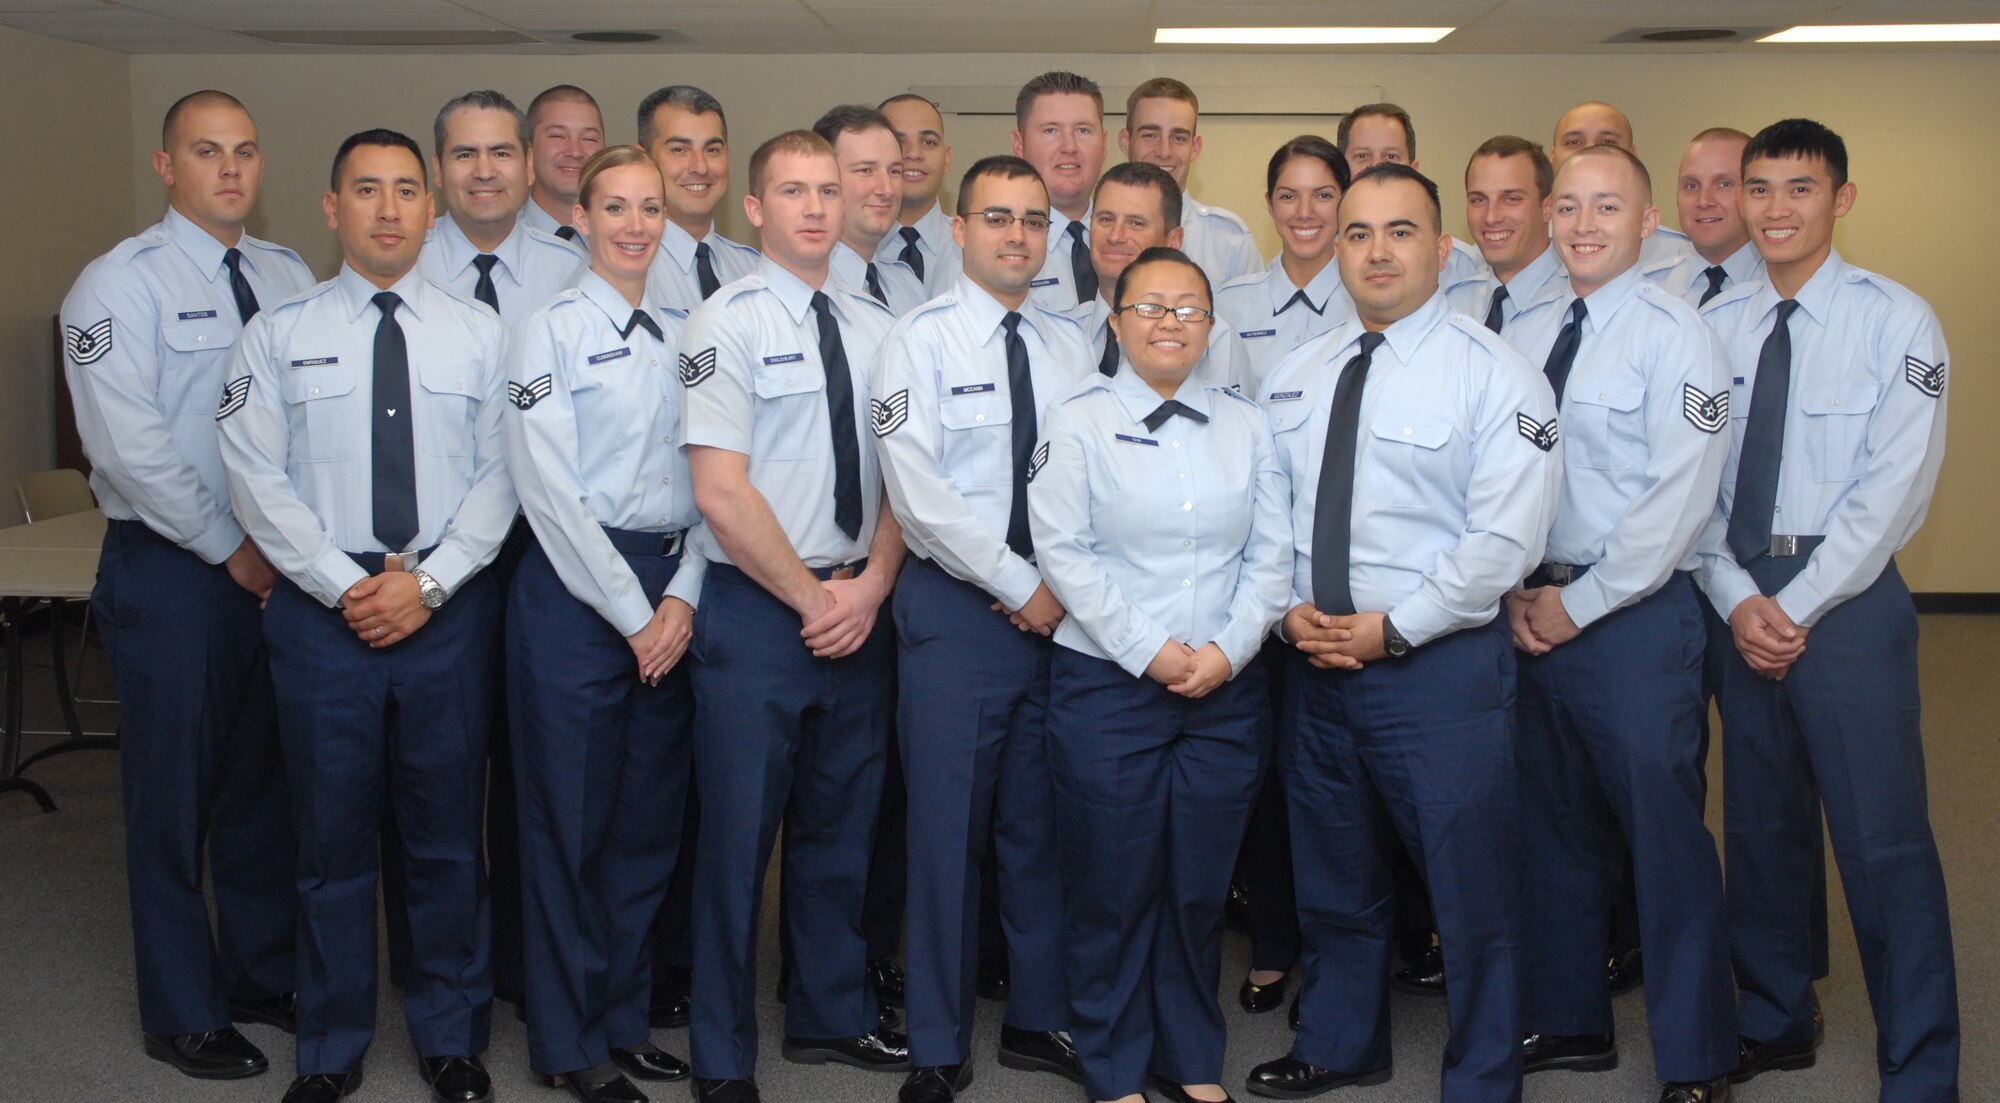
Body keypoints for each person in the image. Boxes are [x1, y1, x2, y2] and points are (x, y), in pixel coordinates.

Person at [1243, 163, 1560, 1103]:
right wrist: (1280, 611)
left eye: (1400, 232)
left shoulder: (1495, 374)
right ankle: (1342, 1042)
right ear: (1334, 248)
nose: (1377, 252)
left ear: (1442, 247)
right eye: (1357, 234)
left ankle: (1484, 1073)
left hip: (1438, 673)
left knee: (1471, 887)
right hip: (1316, 667)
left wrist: (1396, 629)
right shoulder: (1298, 373)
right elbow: (1268, 519)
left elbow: (1505, 540)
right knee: (1333, 872)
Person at [218, 128, 516, 1103]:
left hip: (445, 607)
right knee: (329, 840)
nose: (388, 209)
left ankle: (450, 1037)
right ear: (330, 208)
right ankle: (331, 1045)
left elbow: (503, 473)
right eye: (366, 190)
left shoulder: (482, 334)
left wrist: (428, 583)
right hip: (321, 612)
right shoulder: (278, 335)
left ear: (429, 211)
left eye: (404, 191)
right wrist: (335, 581)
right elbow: (254, 474)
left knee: (442, 839)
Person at [1697, 118, 1959, 1099]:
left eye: (1797, 189)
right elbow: (1693, 489)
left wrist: (1792, 603)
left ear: (1838, 199)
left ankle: (1919, 1060)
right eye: (1756, 189)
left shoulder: (1898, 322)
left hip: (1841, 602)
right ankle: (1773, 1015)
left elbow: (1894, 487)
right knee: (1760, 829)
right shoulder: (1713, 326)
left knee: (1880, 836)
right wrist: (1735, 597)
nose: (1773, 209)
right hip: (1736, 595)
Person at [62, 88, 308, 1083]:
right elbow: (126, 449)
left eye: (245, 150)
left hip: (278, 569)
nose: (231, 169)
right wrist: (227, 545)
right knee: (170, 800)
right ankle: (181, 1005)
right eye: (207, 152)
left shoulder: (289, 274)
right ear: (167, 166)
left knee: (262, 785)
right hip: (173, 570)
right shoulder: (116, 287)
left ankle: (257, 971)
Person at [1030, 245, 1291, 1103]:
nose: (1169, 322)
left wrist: (1227, 649)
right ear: (1116, 320)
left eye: (1188, 308)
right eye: (1149, 306)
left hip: (1225, 689)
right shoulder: (1075, 419)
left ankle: (1187, 1056)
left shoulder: (1249, 424)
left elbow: (1271, 556)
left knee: (1196, 887)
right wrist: (1149, 648)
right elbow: (1065, 553)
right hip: (1109, 684)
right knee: (1112, 885)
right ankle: (1112, 1066)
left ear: (1212, 326)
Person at [679, 130, 908, 1103]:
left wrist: (868, 588)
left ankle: (828, 1010)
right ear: (756, 207)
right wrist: (817, 599)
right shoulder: (718, 324)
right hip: (759, 616)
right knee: (736, 843)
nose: (816, 207)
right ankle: (722, 1053)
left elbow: (908, 478)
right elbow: (720, 492)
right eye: (793, 191)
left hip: (859, 606)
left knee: (839, 830)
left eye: (829, 188)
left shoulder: (875, 325)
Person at [1506, 144, 1735, 1103]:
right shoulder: (1526, 328)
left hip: (1630, 620)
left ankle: (1696, 1055)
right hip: (1530, 614)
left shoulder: (1677, 334)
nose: (1585, 224)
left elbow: (1678, 502)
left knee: (1662, 840)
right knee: (1550, 829)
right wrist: (1515, 589)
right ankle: (1570, 1020)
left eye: (1609, 208)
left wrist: (1579, 603)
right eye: (1570, 207)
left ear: (1649, 224)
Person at [872, 154, 1093, 1103]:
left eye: (1033, 220)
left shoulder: (1072, 347)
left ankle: (1041, 1017)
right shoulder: (913, 341)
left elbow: (1091, 477)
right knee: (946, 831)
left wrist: (1062, 588)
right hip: (959, 614)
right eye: (997, 217)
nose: (1016, 235)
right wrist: (1016, 581)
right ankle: (936, 1040)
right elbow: (916, 492)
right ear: (959, 230)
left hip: (1061, 615)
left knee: (1042, 826)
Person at [503, 144, 709, 1103]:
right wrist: (635, 612)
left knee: (643, 832)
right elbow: (548, 491)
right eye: (615, 206)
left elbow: (717, 475)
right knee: (568, 830)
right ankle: (567, 1036)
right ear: (579, 217)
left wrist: (684, 595)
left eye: (650, 208)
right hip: (580, 595)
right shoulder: (545, 331)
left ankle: (624, 1019)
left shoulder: (688, 333)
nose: (635, 224)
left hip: (674, 585)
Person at [419, 90, 585, 324]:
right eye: (466, 155)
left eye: (501, 153)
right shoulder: (410, 263)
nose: (484, 172)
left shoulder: (571, 269)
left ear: (529, 165)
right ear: (438, 169)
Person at [1214, 135, 1353, 399]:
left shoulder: (1367, 304)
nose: (1304, 212)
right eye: (1289, 196)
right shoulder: (1228, 304)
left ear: (1345, 202)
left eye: (1323, 195)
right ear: (1270, 204)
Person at [1119, 77, 1262, 284]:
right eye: (1150, 135)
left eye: (1178, 138)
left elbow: (1253, 316)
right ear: (1125, 141)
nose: (1164, 151)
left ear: (1195, 147)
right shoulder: (1099, 236)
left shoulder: (1230, 242)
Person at [640, 85, 762, 311]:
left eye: (712, 150)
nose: (700, 167)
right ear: (643, 158)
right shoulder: (627, 271)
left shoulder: (754, 270)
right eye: (679, 150)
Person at [1336, 103, 1485, 286]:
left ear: (1413, 170)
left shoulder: (1461, 265)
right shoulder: (1321, 258)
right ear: (1341, 170)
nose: (1377, 167)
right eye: (1362, 156)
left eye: (1391, 156)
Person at [1444, 137, 1566, 338]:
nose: (1491, 217)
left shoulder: (1577, 302)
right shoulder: (1453, 303)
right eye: (1479, 200)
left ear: (1548, 207)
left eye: (1511, 199)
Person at [1549, 101, 1691, 272]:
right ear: (1552, 157)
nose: (1591, 150)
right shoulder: (1523, 245)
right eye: (1574, 142)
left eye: (1607, 142)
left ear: (1632, 156)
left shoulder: (1679, 253)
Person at [814, 105, 927, 315]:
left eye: (894, 171)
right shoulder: (807, 287)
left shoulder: (908, 287)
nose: (886, 189)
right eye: (865, 170)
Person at [1012, 71, 1109, 311]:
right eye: (1051, 130)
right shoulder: (994, 247)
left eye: (1083, 130)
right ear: (1019, 145)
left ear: (1104, 144)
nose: (1069, 147)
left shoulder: (1136, 240)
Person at [1656, 128, 1765, 307]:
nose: (1704, 201)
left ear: (1755, 193)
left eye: (1724, 184)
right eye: (1691, 186)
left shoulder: (1782, 288)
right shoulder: (1649, 287)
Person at [877, 94, 963, 296]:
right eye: (898, 142)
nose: (913, 153)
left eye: (929, 142)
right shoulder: (841, 250)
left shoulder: (975, 249)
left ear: (947, 158)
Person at [521, 85, 605, 239]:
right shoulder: (498, 238)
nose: (575, 152)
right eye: (558, 136)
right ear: (528, 151)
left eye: (589, 138)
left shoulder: (626, 239)